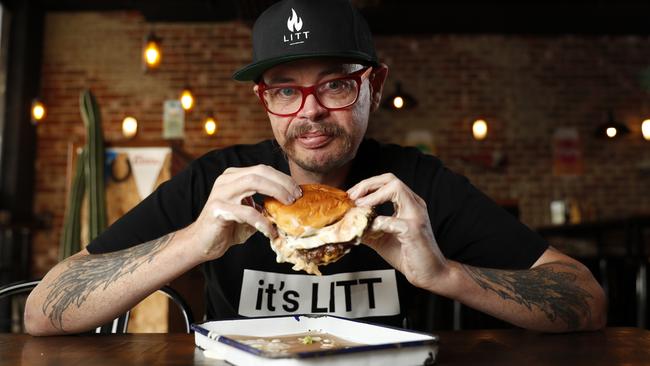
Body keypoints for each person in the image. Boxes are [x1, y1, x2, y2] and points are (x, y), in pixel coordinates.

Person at [24, 0, 606, 335]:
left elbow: (587, 300)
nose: (311, 114)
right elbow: (43, 312)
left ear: (372, 86)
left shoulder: (414, 189)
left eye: (335, 85)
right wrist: (195, 242)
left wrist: (444, 275)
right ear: (263, 99)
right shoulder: (219, 185)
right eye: (285, 90)